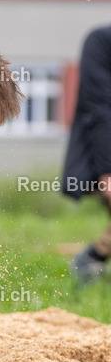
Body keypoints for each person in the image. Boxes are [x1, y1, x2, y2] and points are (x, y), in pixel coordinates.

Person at [64, 25, 111, 284]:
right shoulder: (102, 42)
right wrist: (108, 170)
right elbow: (99, 110)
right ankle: (91, 261)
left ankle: (93, 259)